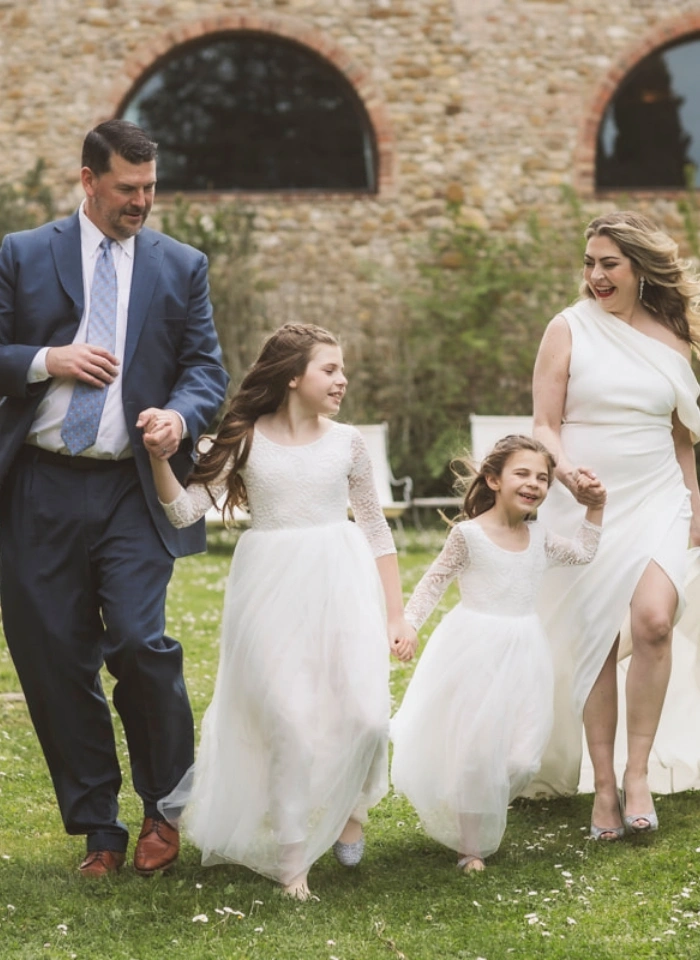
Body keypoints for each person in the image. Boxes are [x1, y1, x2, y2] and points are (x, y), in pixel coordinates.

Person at [0, 120, 228, 877]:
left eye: (151, 188)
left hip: (134, 487)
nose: (141, 201)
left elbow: (205, 370)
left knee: (140, 641)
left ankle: (165, 805)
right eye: (127, 188)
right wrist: (44, 359)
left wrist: (180, 416)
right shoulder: (22, 253)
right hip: (39, 485)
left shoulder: (181, 265)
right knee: (54, 657)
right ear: (88, 180)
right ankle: (99, 826)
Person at [144, 323, 415, 901]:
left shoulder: (348, 443)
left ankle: (352, 807)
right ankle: (293, 859)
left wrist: (396, 615)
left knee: (365, 716)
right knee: (289, 720)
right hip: (269, 586)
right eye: (330, 369)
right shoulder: (243, 438)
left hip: (342, 580)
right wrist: (158, 460)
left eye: (342, 370)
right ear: (293, 377)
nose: (342, 379)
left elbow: (373, 526)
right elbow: (184, 512)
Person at [528, 211, 700, 839]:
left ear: (640, 269)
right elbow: (545, 422)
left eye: (609, 264)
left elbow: (683, 435)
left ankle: (638, 774)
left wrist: (695, 500)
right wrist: (567, 472)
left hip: (659, 496)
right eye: (589, 262)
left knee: (654, 621)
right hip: (587, 499)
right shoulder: (567, 329)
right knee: (597, 638)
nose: (595, 276)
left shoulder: (674, 337)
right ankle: (603, 788)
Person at [391, 436, 604, 872]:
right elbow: (434, 582)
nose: (534, 484)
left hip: (525, 651)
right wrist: (409, 626)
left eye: (543, 478)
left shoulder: (540, 537)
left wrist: (595, 508)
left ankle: (476, 796)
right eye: (522, 474)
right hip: (473, 649)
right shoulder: (468, 536)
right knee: (475, 751)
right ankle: (471, 846)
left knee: (521, 758)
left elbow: (584, 552)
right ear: (493, 479)